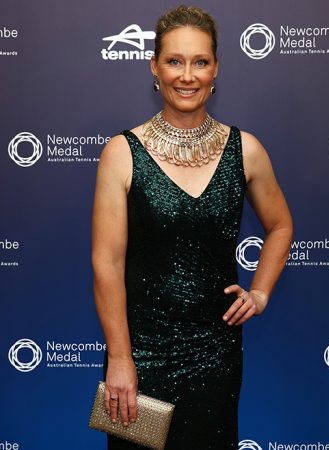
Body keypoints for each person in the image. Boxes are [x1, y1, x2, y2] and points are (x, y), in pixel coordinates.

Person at [91, 5, 293, 449]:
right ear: (155, 68)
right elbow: (107, 263)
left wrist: (259, 293)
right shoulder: (122, 153)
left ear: (216, 68)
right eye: (175, 61)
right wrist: (120, 359)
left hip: (215, 353)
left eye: (200, 62)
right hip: (141, 355)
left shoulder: (247, 150)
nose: (187, 75)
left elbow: (280, 225)